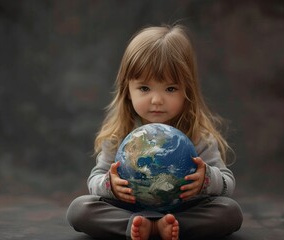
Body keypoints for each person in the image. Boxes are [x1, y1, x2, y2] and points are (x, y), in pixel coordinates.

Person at [67, 24, 243, 240]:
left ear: (187, 90)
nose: (157, 100)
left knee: (229, 212)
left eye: (170, 89)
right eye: (144, 88)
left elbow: (227, 182)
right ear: (127, 91)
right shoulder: (118, 135)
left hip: (182, 210)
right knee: (80, 209)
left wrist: (206, 179)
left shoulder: (198, 135)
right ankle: (138, 226)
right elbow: (95, 179)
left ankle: (168, 226)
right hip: (130, 208)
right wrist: (109, 185)